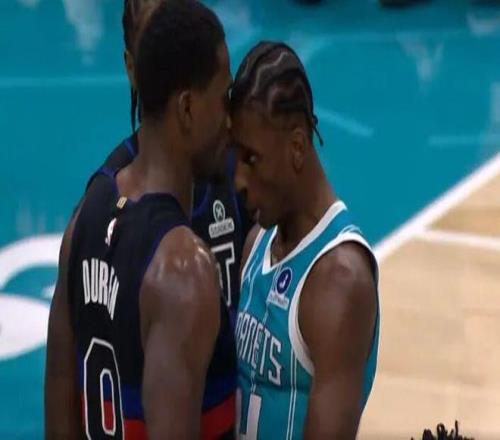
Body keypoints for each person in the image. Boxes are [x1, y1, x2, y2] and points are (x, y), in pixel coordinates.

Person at [44, 1, 232, 438]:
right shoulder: (183, 270)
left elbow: (59, 397)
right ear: (187, 109)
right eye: (223, 98)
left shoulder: (85, 218)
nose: (230, 120)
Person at [231, 41, 380, 439]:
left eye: (251, 159)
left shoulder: (339, 280)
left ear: (297, 146)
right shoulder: (256, 244)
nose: (238, 180)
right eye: (235, 158)